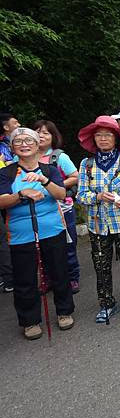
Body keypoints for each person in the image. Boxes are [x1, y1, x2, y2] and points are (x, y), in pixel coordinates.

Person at [0, 128, 74, 340]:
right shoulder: (6, 173)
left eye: (28, 140)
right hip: (20, 233)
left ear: (37, 144)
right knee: (24, 278)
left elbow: (61, 194)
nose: (24, 144)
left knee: (59, 271)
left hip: (52, 228)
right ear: (12, 147)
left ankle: (64, 310)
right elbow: (1, 200)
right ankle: (29, 320)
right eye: (18, 141)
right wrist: (21, 194)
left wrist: (44, 182)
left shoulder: (49, 169)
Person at [76, 116, 120, 322]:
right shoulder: (86, 165)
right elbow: (80, 195)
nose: (103, 139)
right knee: (101, 266)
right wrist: (97, 197)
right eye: (99, 135)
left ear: (116, 138)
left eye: (107, 135)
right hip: (97, 225)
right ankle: (106, 303)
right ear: (93, 139)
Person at [32, 120, 81, 294]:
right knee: (42, 247)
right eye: (37, 131)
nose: (41, 135)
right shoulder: (23, 158)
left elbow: (75, 176)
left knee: (67, 245)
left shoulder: (59, 157)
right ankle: (48, 279)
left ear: (53, 136)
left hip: (62, 208)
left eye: (46, 132)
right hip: (35, 209)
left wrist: (54, 186)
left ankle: (72, 277)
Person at [0, 113, 19, 293]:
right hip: (8, 195)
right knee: (5, 236)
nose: (19, 124)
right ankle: (9, 278)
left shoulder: (10, 146)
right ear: (6, 127)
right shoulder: (3, 148)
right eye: (15, 122)